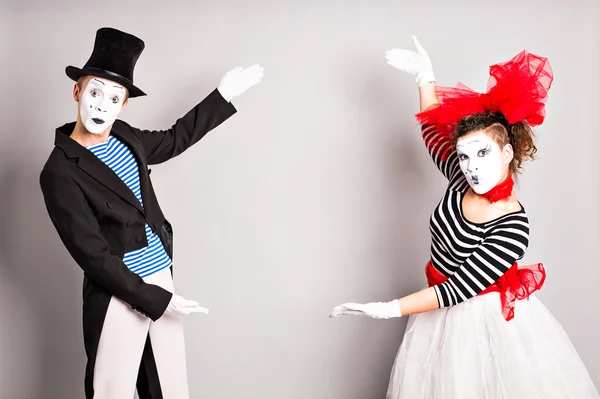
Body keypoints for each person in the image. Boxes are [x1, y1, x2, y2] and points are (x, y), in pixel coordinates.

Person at [330, 36, 599, 398]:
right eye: (464, 156)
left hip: (481, 321)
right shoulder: (461, 181)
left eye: (483, 154)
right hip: (435, 312)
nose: (471, 167)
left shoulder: (513, 226)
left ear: (507, 153)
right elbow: (431, 135)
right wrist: (424, 76)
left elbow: (457, 290)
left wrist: (386, 309)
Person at [39, 27, 264, 399]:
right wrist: (155, 298)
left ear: (123, 105)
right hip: (118, 292)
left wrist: (222, 96)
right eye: (94, 92)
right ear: (77, 91)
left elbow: (175, 139)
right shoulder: (60, 171)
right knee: (113, 390)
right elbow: (92, 255)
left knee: (170, 388)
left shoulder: (127, 136)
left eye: (114, 98)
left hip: (162, 278)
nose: (101, 105)